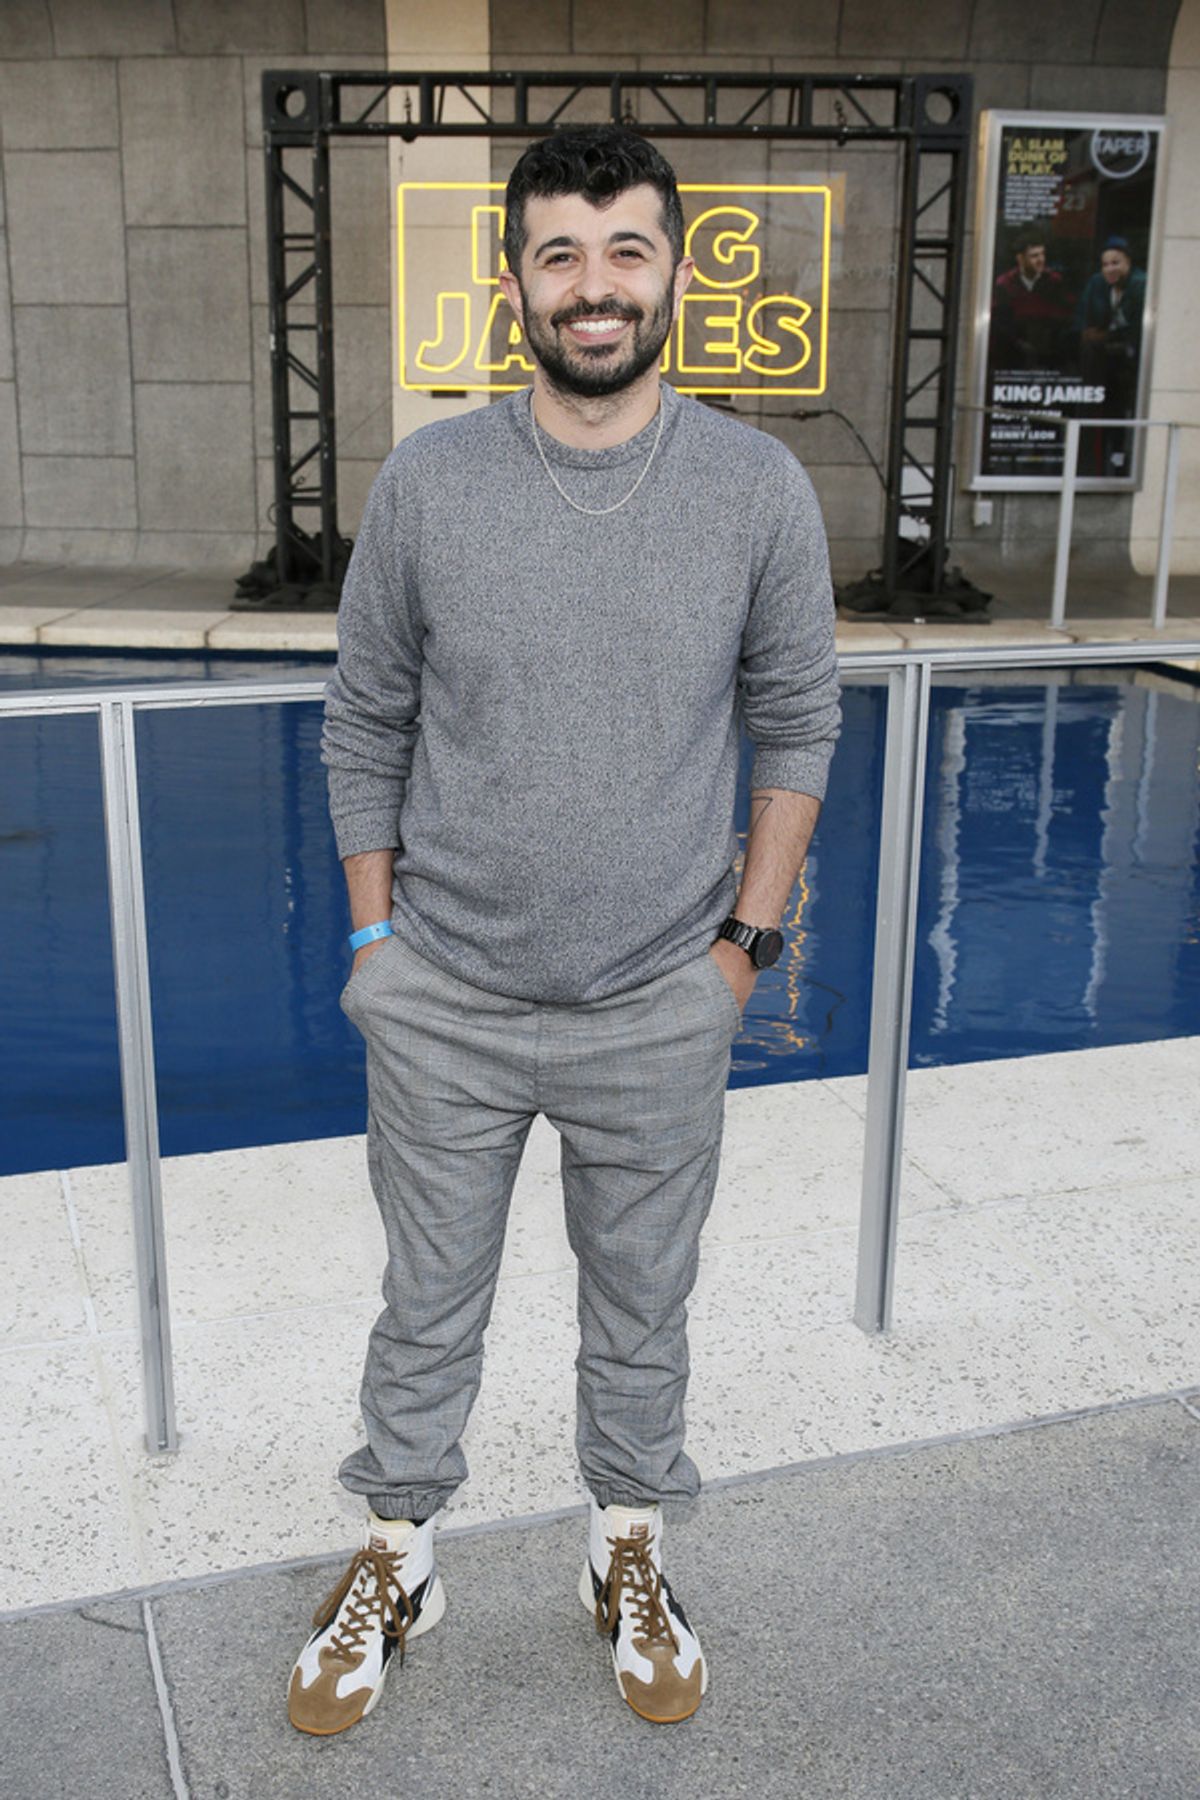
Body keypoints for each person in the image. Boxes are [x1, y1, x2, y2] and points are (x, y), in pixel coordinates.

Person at [288, 124, 840, 1734]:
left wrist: (742, 950)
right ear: (514, 278)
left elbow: (797, 722)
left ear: (675, 271)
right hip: (444, 993)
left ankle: (627, 1550)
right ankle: (399, 1550)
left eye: (623, 251)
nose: (592, 288)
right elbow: (363, 718)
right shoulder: (431, 481)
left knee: (643, 1310)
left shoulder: (754, 485)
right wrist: (378, 952)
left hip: (661, 996)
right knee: (425, 1306)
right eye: (560, 254)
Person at [1076, 235, 1147, 475]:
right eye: (1105, 264)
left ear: (1128, 262)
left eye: (1116, 262)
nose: (1110, 269)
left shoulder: (1140, 285)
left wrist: (1105, 336)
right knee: (1101, 411)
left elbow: (1137, 331)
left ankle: (1119, 460)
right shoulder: (1097, 283)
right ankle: (1099, 460)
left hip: (1128, 366)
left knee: (1121, 414)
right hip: (1100, 365)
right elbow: (1082, 320)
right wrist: (1089, 334)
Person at [989, 231, 1073, 372]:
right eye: (1034, 256)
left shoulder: (1055, 281)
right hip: (1013, 350)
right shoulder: (1005, 283)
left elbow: (1066, 316)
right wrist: (1019, 342)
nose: (1041, 259)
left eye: (1042, 254)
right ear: (1020, 259)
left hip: (1048, 349)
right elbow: (999, 321)